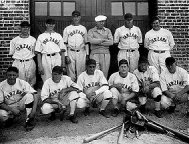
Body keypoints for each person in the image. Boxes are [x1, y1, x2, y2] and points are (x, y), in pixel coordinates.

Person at [0, 66, 38, 131]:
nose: (11, 77)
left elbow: (35, 94)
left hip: (20, 103)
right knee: (1, 114)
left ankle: (29, 120)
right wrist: (12, 110)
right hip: (9, 106)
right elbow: (0, 103)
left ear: (17, 75)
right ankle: (10, 119)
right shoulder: (1, 85)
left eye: (14, 75)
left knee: (29, 96)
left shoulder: (22, 82)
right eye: (9, 75)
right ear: (6, 75)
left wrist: (33, 111)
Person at [63, 10, 89, 82]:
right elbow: (64, 43)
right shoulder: (67, 28)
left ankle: (80, 86)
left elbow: (86, 43)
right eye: (74, 17)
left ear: (80, 17)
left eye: (77, 17)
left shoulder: (83, 28)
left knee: (81, 70)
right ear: (72, 18)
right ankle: (72, 87)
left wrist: (87, 55)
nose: (76, 18)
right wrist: (65, 55)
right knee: (70, 71)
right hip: (70, 51)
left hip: (81, 51)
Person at [9, 21, 36, 87]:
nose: (25, 29)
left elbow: (35, 52)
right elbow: (11, 54)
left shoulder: (33, 39)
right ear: (20, 29)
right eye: (23, 27)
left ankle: (30, 95)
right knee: (19, 81)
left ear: (29, 28)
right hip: (18, 62)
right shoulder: (14, 40)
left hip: (29, 61)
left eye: (27, 27)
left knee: (31, 80)